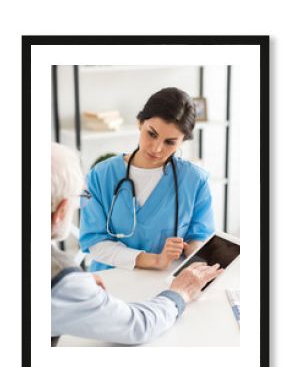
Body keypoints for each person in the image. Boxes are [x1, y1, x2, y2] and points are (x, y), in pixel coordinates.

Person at [51, 142, 223, 346]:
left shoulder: (194, 177)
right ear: (62, 210)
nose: (157, 148)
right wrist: (180, 292)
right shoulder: (61, 280)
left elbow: (200, 233)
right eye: (79, 197)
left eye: (170, 141)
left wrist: (77, 283)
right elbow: (136, 326)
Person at [80, 87, 215, 272]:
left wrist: (197, 253)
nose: (157, 148)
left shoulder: (195, 181)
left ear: (183, 141)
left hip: (164, 282)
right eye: (152, 134)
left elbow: (199, 238)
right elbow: (95, 243)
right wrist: (155, 260)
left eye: (170, 142)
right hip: (111, 282)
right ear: (140, 123)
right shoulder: (100, 176)